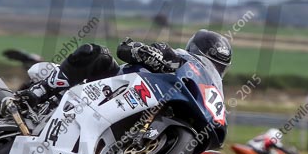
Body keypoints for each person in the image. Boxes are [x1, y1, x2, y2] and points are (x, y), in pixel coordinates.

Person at [22, 29, 232, 107]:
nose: (211, 69)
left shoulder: (203, 91)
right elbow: (124, 48)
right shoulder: (173, 56)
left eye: (217, 67)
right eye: (211, 62)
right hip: (112, 84)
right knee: (95, 53)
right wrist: (143, 52)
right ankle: (42, 90)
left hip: (135, 106)